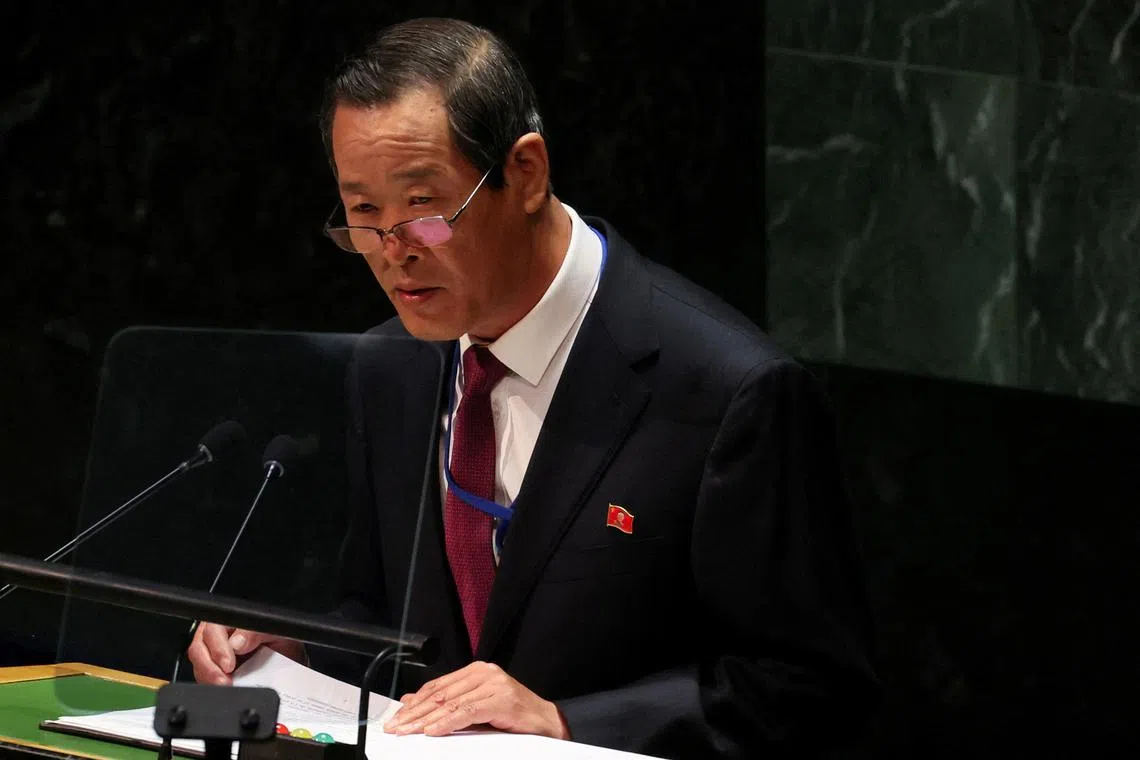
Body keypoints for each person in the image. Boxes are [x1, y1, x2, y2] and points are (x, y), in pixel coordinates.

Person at [188, 17, 879, 758]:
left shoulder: (728, 393)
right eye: (363, 214)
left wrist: (568, 722)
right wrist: (301, 650)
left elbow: (807, 691)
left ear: (525, 173)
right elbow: (394, 626)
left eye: (423, 209)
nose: (393, 253)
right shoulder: (393, 369)